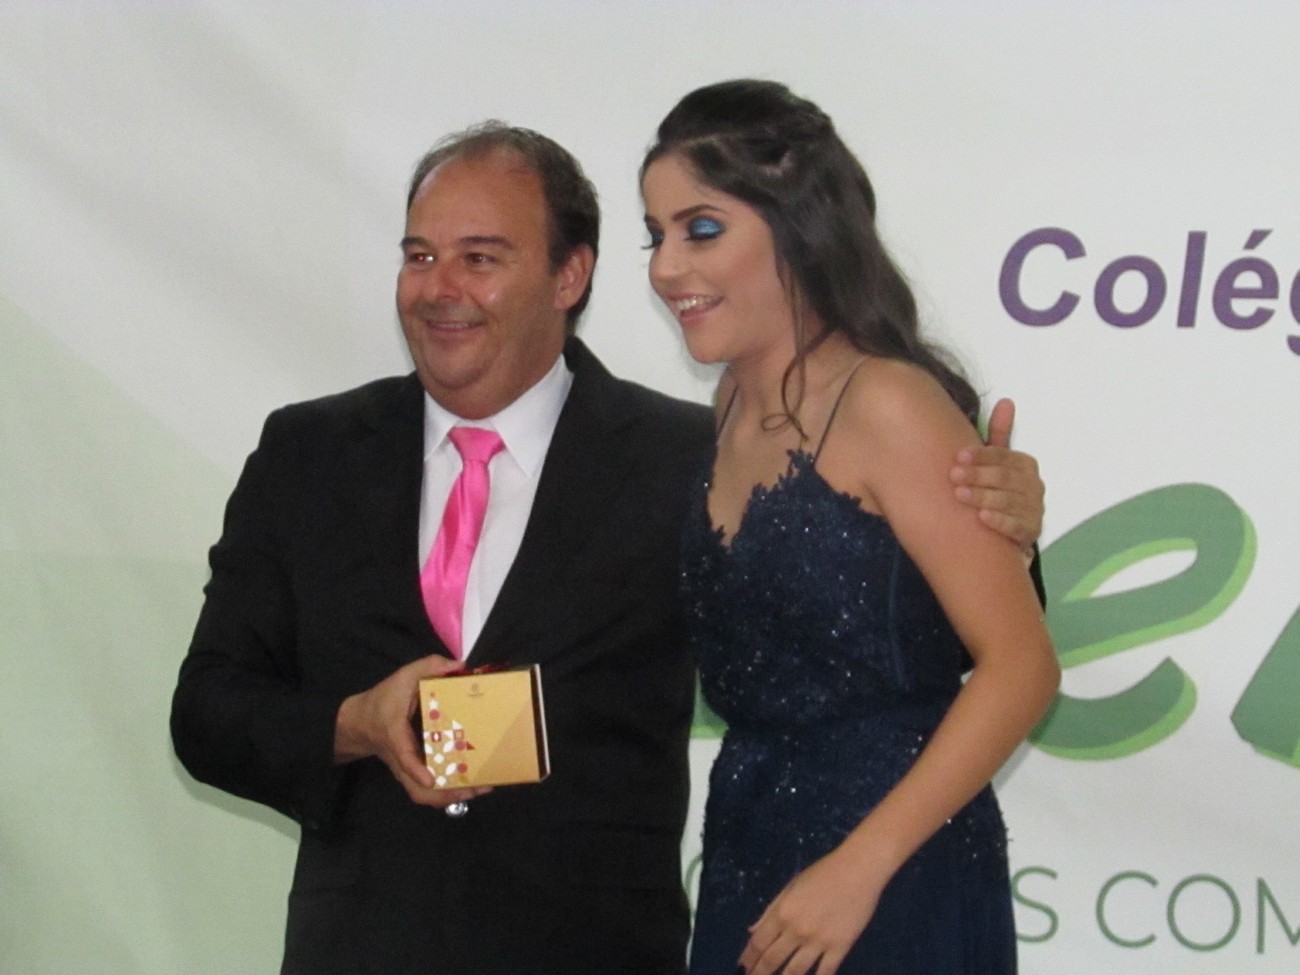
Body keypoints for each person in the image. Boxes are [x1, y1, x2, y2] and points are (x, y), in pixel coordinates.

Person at [170, 121, 1045, 975]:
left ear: (570, 275)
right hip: (361, 950)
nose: (440, 288)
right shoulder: (308, 454)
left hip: (603, 949)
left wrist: (1001, 520)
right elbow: (206, 710)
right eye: (420, 255)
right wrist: (354, 724)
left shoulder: (690, 456)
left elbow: (889, 619)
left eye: (481, 258)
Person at [640, 80, 1061, 975]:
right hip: (749, 853)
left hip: (895, 874)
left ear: (795, 226)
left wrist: (859, 868)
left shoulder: (889, 403)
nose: (667, 267)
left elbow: (1022, 667)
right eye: (657, 235)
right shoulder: (729, 401)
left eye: (701, 229)